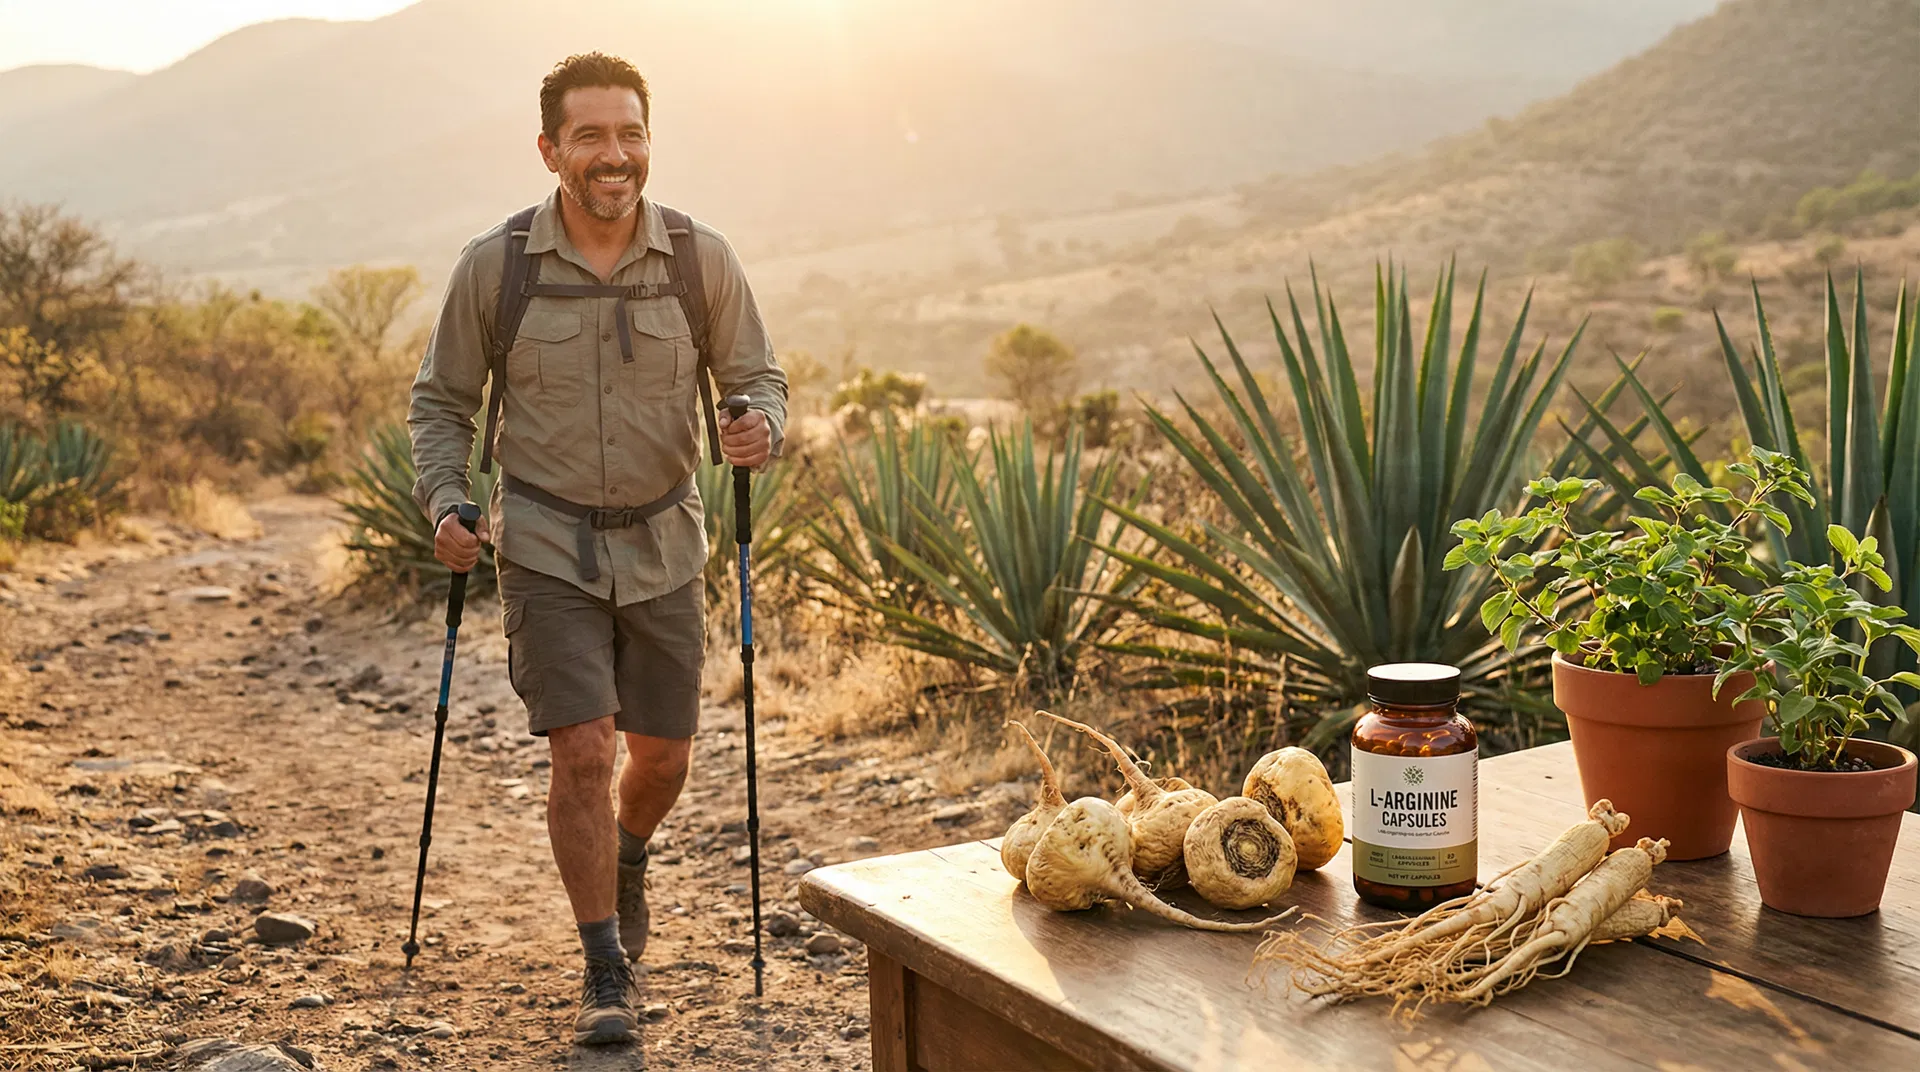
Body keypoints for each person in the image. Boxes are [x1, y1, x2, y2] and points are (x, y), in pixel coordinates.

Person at [407, 52, 787, 1047]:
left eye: (630, 134)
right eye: (591, 137)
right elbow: (441, 403)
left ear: (648, 143)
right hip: (542, 545)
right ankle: (603, 963)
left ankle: (627, 853)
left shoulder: (702, 260)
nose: (614, 156)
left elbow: (760, 378)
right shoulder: (500, 267)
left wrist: (761, 428)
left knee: (660, 759)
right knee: (583, 747)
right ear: (551, 149)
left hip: (668, 543)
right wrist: (448, 500)